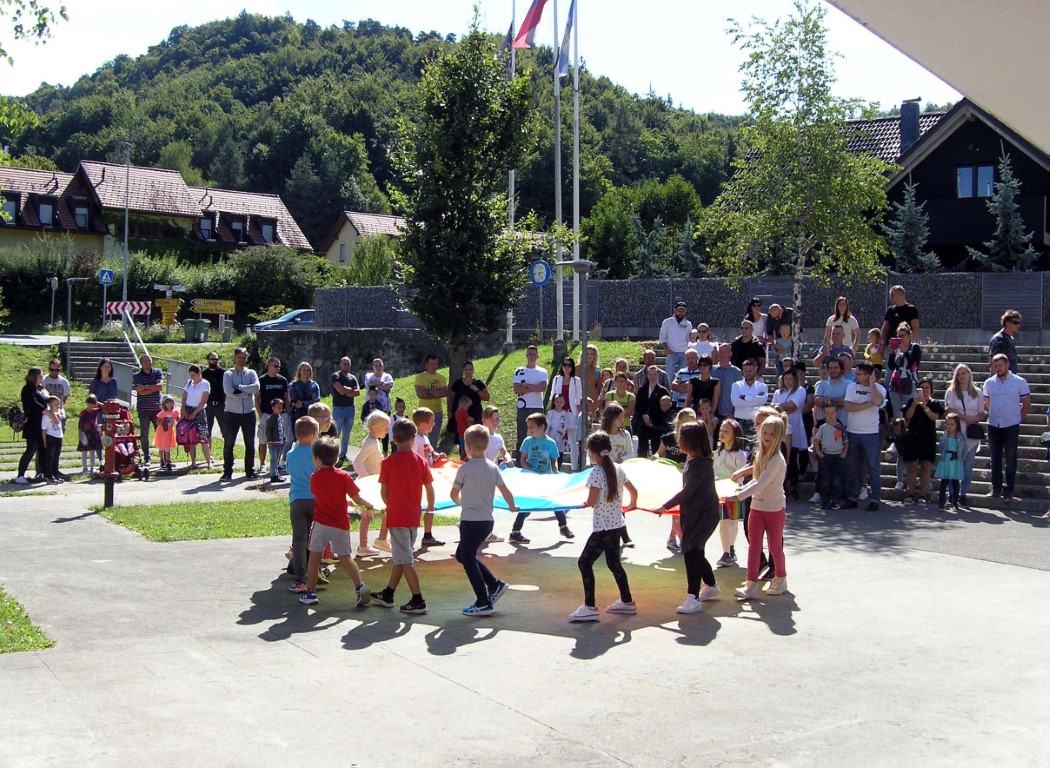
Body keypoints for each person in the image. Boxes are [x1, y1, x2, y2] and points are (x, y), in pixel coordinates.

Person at [568, 431, 639, 622]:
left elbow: (591, 501)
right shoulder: (618, 469)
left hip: (602, 529)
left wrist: (584, 503)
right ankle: (627, 601)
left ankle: (590, 606)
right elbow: (634, 491)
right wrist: (631, 505)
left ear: (593, 452)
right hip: (616, 526)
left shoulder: (596, 473)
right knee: (614, 563)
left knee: (584, 563)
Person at [297, 437, 375, 607]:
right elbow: (356, 497)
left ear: (318, 459)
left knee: (314, 557)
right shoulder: (344, 476)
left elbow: (320, 494)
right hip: (340, 524)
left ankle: (310, 593)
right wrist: (368, 505)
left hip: (321, 524)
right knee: (345, 558)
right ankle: (360, 586)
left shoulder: (315, 478)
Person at [450, 425, 518, 616]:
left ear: (467, 446)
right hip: (487, 521)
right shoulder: (493, 467)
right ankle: (494, 585)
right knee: (463, 555)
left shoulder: (464, 469)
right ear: (486, 446)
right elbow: (505, 490)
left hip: (470, 521)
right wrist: (512, 506)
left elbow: (453, 494)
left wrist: (462, 503)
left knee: (467, 559)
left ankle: (483, 601)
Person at [654, 422, 722, 614]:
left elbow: (687, 491)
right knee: (696, 552)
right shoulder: (693, 461)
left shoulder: (701, 465)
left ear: (692, 441)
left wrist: (665, 506)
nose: (679, 441)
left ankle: (693, 598)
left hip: (704, 516)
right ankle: (711, 585)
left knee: (691, 552)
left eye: (682, 438)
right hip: (694, 515)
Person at [372, 419, 434, 615]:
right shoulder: (421, 461)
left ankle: (418, 599)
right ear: (413, 437)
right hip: (413, 516)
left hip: (397, 517)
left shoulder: (388, 463)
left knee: (405, 560)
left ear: (394, 440)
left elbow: (384, 492)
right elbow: (429, 488)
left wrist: (390, 505)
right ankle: (388, 593)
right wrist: (430, 507)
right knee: (401, 557)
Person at [728, 412, 789, 598]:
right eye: (765, 433)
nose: (767, 437)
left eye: (772, 434)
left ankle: (781, 579)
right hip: (757, 508)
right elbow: (755, 478)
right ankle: (751, 584)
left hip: (774, 509)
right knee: (754, 546)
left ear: (779, 436)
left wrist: (738, 497)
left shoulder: (777, 459)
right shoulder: (760, 455)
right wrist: (742, 488)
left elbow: (761, 483)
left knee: (775, 547)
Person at [510, 412, 573, 543]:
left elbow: (554, 460)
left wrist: (555, 471)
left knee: (555, 503)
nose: (529, 429)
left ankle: (563, 527)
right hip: (531, 480)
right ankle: (515, 531)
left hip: (546, 479)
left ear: (542, 427)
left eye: (531, 426)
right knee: (527, 505)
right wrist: (529, 471)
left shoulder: (551, 443)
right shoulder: (527, 441)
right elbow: (522, 460)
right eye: (528, 426)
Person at [983, 353, 1031, 500]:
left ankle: (1008, 490)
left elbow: (1026, 403)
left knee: (1010, 459)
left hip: (1011, 425)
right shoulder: (989, 383)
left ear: (1007, 365)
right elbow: (987, 402)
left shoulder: (1019, 382)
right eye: (995, 366)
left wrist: (1018, 418)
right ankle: (996, 489)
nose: (998, 368)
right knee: (995, 458)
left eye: (1000, 365)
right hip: (993, 425)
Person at [840, 361, 886, 511]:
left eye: (859, 374)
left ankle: (875, 499)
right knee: (852, 467)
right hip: (853, 431)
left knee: (873, 467)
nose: (856, 376)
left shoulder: (879, 389)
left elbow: (878, 401)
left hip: (870, 433)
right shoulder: (852, 387)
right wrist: (868, 404)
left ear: (868, 375)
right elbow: (848, 406)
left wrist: (872, 384)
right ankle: (852, 497)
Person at [286, 416, 320, 594]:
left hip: (297, 500)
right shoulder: (317, 453)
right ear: (314, 434)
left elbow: (289, 470)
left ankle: (300, 578)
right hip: (315, 499)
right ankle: (315, 571)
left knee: (299, 539)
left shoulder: (291, 454)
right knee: (315, 538)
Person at [944, 363, 986, 506]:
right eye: (959, 374)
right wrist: (963, 417)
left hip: (971, 434)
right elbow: (948, 409)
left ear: (969, 374)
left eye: (964, 373)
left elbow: (981, 412)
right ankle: (951, 493)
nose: (961, 376)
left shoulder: (977, 392)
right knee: (954, 464)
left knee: (967, 466)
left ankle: (963, 493)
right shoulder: (951, 391)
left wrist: (973, 419)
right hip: (955, 432)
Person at [900, 378, 945, 505]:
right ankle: (910, 494)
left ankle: (922, 495)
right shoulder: (911, 401)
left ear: (931, 389)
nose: (924, 390)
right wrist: (915, 404)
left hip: (928, 437)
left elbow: (934, 417)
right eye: (922, 388)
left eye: (927, 388)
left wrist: (925, 405)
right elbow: (907, 416)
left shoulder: (935, 403)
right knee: (912, 467)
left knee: (926, 467)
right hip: (913, 437)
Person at [352, 410, 390, 556]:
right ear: (375, 427)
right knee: (368, 514)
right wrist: (367, 480)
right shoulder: (370, 442)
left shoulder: (374, 441)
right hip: (371, 485)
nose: (387, 430)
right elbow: (357, 462)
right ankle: (365, 545)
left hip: (376, 483)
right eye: (385, 427)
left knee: (384, 510)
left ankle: (381, 539)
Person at [221, 347, 260, 481]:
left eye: (244, 358)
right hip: (231, 413)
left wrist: (239, 388)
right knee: (229, 444)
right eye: (239, 357)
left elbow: (256, 388)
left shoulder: (251, 373)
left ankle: (249, 471)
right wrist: (246, 393)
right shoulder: (228, 374)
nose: (241, 360)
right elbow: (228, 391)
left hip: (248, 413)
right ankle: (227, 472)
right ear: (235, 358)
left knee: (250, 444)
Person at [410, 407, 446, 547]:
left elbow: (430, 453)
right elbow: (413, 457)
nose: (434, 424)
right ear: (423, 424)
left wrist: (438, 456)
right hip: (419, 479)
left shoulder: (424, 438)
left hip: (427, 478)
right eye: (432, 421)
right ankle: (411, 536)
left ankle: (427, 535)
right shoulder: (415, 439)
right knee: (418, 506)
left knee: (431, 505)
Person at [714, 419, 747, 567]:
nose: (722, 433)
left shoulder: (739, 454)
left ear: (735, 434)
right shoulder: (718, 452)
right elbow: (715, 470)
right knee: (724, 522)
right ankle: (726, 552)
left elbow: (740, 475)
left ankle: (731, 548)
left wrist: (735, 489)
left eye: (726, 431)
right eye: (721, 430)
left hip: (734, 491)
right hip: (720, 491)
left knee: (733, 522)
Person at [771, 369, 808, 500]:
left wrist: (780, 407)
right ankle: (782, 486)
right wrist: (783, 408)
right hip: (780, 428)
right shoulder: (778, 392)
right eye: (785, 379)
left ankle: (793, 486)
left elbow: (793, 406)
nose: (788, 381)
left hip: (795, 427)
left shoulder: (800, 391)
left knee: (792, 459)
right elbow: (773, 408)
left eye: (790, 379)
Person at [512, 345, 548, 457]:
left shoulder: (542, 371)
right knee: (521, 435)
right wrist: (535, 388)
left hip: (537, 407)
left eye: (534, 354)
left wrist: (527, 385)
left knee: (538, 435)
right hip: (523, 407)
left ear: (537, 356)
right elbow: (517, 389)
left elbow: (542, 388)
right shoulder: (519, 371)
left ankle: (538, 459)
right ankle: (519, 462)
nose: (531, 356)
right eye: (530, 354)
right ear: (526, 355)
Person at [15, 367, 49, 484]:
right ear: (35, 376)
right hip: (32, 425)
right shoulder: (27, 389)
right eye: (41, 375)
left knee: (42, 450)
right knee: (30, 449)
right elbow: (33, 404)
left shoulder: (38, 389)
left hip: (40, 424)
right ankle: (20, 475)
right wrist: (46, 411)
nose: (42, 377)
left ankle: (44, 473)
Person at [256, 358, 290, 474]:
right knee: (263, 439)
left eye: (278, 366)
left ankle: (277, 463)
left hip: (281, 414)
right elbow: (257, 398)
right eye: (275, 366)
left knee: (281, 439)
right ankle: (262, 464)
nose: (277, 368)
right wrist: (260, 414)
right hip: (266, 413)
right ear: (269, 366)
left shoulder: (282, 380)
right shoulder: (262, 380)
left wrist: (287, 411)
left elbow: (286, 397)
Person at [812, 404, 849, 509]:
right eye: (827, 413)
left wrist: (844, 452)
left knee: (837, 480)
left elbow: (845, 441)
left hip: (838, 456)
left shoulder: (840, 427)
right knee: (825, 480)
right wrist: (818, 452)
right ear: (824, 414)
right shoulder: (823, 427)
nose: (830, 415)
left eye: (832, 413)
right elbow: (816, 440)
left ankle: (835, 501)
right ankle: (825, 501)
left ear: (836, 413)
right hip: (826, 456)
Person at [550, 356, 583, 467]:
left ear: (572, 367)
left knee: (572, 442)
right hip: (558, 413)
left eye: (569, 365)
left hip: (571, 413)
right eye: (564, 365)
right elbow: (552, 396)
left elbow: (578, 398)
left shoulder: (576, 380)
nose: (566, 367)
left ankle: (574, 467)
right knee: (556, 439)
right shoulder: (556, 379)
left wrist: (579, 413)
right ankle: (555, 466)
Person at [131, 354, 164, 466]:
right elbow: (140, 392)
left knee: (160, 432)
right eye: (145, 361)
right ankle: (147, 457)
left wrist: (145, 387)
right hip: (143, 409)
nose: (148, 363)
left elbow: (160, 387)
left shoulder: (158, 372)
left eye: (149, 360)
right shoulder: (137, 376)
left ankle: (163, 459)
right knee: (144, 434)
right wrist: (153, 387)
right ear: (141, 363)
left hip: (157, 408)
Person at [448, 360, 489, 448]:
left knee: (476, 440)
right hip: (460, 416)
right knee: (462, 441)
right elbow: (451, 398)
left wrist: (477, 390)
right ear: (463, 370)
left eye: (470, 369)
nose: (468, 371)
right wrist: (450, 411)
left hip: (475, 416)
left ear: (473, 370)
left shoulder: (478, 383)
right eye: (466, 369)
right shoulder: (457, 383)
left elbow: (487, 397)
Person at [633, 365, 671, 458]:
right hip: (643, 424)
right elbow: (638, 406)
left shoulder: (663, 390)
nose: (652, 377)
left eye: (654, 374)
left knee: (656, 451)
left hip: (656, 424)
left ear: (658, 375)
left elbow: (666, 408)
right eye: (650, 374)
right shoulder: (642, 389)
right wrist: (643, 416)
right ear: (647, 375)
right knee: (642, 451)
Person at [180, 363, 213, 469]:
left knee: (203, 437)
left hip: (199, 411)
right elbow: (184, 396)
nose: (192, 377)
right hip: (188, 409)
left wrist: (194, 413)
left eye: (193, 375)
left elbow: (203, 401)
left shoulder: (205, 384)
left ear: (199, 373)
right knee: (191, 437)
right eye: (190, 375)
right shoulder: (189, 382)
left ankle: (208, 462)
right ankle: (193, 462)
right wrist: (183, 409)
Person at [886, 323, 922, 419]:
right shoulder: (897, 349)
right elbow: (891, 366)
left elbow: (913, 363)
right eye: (899, 336)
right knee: (897, 414)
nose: (901, 338)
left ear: (909, 336)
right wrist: (891, 353)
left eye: (903, 335)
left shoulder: (915, 348)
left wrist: (905, 351)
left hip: (910, 382)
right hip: (896, 383)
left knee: (910, 413)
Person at [330, 356, 360, 466]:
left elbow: (358, 392)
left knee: (346, 434)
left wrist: (347, 391)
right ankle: (332, 454)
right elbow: (341, 390)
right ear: (340, 364)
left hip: (350, 408)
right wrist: (350, 390)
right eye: (344, 364)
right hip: (339, 408)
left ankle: (343, 455)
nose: (346, 366)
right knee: (336, 433)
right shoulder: (335, 376)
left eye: (348, 364)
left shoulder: (352, 378)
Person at [934, 413, 967, 511]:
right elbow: (941, 448)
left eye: (952, 424)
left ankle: (955, 503)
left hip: (956, 460)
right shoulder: (944, 437)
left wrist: (960, 459)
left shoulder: (961, 437)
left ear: (957, 425)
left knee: (955, 482)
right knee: (944, 482)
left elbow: (964, 450)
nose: (950, 426)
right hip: (946, 460)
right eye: (948, 424)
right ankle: (941, 503)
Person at [415, 353, 448, 444]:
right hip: (422, 412)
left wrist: (428, 391)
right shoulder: (420, 377)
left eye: (436, 364)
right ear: (426, 364)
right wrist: (436, 393)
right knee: (420, 439)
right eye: (432, 364)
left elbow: (444, 393)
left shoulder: (442, 378)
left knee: (433, 440)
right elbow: (420, 394)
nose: (434, 366)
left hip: (437, 412)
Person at [730, 359, 768, 437]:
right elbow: (735, 402)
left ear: (755, 369)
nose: (748, 373)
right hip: (740, 421)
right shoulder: (736, 385)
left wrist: (744, 397)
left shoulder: (762, 386)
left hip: (756, 422)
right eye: (745, 371)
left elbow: (763, 400)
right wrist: (754, 400)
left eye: (750, 371)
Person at [660, 301, 692, 386]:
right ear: (675, 310)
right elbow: (662, 337)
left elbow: (689, 338)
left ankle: (679, 394)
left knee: (683, 377)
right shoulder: (667, 322)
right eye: (679, 310)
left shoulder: (688, 324)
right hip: (671, 353)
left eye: (683, 311)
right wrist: (667, 349)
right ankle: (667, 393)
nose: (681, 313)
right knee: (668, 377)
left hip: (684, 353)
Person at [881, 285, 920, 351]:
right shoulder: (890, 310)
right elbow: (885, 327)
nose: (890, 297)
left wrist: (909, 342)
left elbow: (915, 328)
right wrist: (881, 342)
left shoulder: (911, 309)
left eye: (892, 295)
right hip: (890, 345)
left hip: (905, 346)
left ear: (900, 295)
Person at [712, 344, 743, 420]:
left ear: (730, 354)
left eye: (725, 352)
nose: (722, 354)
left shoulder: (736, 372)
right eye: (721, 352)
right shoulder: (711, 370)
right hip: (712, 413)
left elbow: (740, 393)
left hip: (729, 413)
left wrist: (734, 412)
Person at [40, 395, 64, 484]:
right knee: (50, 458)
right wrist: (45, 441)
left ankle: (55, 474)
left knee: (56, 457)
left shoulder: (59, 414)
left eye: (59, 404)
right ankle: (49, 477)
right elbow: (44, 430)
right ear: (50, 404)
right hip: (51, 437)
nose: (58, 406)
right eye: (55, 404)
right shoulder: (46, 416)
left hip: (59, 437)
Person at [201, 352, 226, 439]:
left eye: (216, 359)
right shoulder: (204, 374)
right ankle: (208, 448)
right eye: (212, 359)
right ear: (208, 360)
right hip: (208, 405)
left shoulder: (224, 373)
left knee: (226, 430)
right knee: (207, 431)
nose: (214, 361)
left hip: (221, 405)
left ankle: (227, 448)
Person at [546, 394, 574, 469]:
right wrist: (546, 437)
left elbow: (566, 425)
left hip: (561, 438)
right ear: (554, 402)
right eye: (557, 401)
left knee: (559, 454)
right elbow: (547, 426)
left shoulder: (565, 413)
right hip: (551, 437)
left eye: (561, 402)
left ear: (564, 403)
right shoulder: (551, 413)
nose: (559, 403)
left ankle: (558, 469)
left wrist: (575, 427)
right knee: (550, 454)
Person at [988, 309, 1021, 374]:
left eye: (1019, 323)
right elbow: (993, 361)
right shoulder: (998, 339)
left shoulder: (1011, 339)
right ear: (1007, 323)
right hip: (1001, 377)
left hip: (1010, 376)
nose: (1018, 325)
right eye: (1015, 323)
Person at [288, 362, 320, 427]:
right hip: (296, 415)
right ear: (300, 371)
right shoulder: (293, 385)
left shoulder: (314, 385)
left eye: (308, 370)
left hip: (310, 415)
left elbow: (316, 400)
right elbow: (293, 400)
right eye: (304, 370)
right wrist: (309, 401)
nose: (306, 372)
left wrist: (303, 404)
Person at [77, 395, 103, 475]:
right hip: (85, 434)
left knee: (92, 451)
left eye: (92, 403)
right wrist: (79, 434)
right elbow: (80, 425)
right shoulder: (83, 412)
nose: (90, 405)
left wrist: (97, 402)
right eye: (89, 403)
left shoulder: (95, 411)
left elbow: (104, 407)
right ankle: (84, 468)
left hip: (94, 434)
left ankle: (92, 467)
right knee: (84, 452)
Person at [153, 395, 179, 472]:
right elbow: (158, 422)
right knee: (161, 447)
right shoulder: (162, 413)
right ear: (164, 404)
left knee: (167, 447)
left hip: (169, 432)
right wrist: (163, 423)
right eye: (168, 403)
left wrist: (183, 416)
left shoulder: (175, 412)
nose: (170, 404)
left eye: (171, 402)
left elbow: (178, 420)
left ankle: (168, 461)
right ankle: (162, 461)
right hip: (161, 431)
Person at [264, 399, 288, 482]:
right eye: (278, 408)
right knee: (273, 459)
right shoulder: (271, 419)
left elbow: (281, 429)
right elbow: (268, 431)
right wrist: (269, 442)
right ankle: (273, 475)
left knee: (277, 459)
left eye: (281, 408)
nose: (280, 410)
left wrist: (283, 438)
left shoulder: (280, 418)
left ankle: (276, 474)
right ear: (273, 408)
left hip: (279, 443)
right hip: (273, 443)